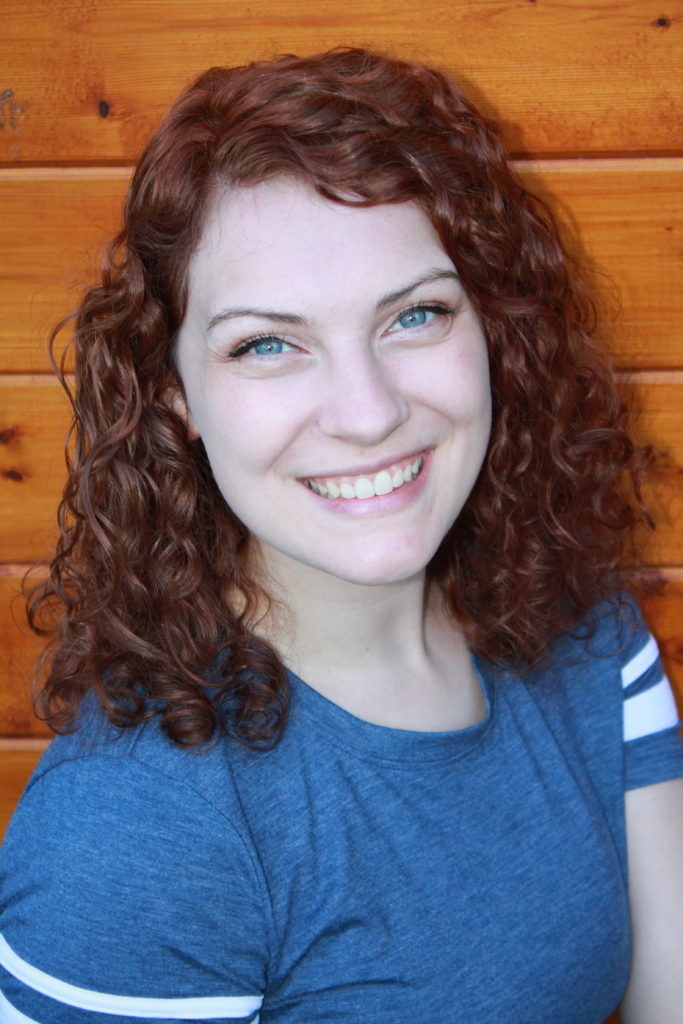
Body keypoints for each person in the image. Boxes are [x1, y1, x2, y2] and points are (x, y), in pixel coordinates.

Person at [0, 47, 681, 1024]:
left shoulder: (584, 629)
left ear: (490, 329)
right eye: (265, 343)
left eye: (415, 315)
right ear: (173, 396)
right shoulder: (136, 832)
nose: (364, 414)